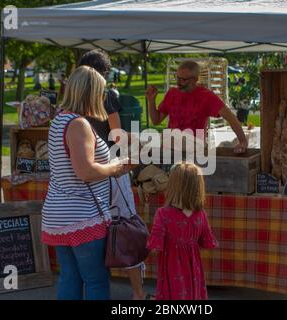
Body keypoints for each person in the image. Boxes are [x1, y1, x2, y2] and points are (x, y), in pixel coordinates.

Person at [41, 66, 129, 300]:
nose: (103, 97)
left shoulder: (60, 120)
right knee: (96, 280)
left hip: (60, 214)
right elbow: (86, 171)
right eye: (101, 92)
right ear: (90, 93)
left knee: (70, 276)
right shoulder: (78, 124)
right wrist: (116, 168)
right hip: (81, 214)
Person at [78, 49, 151, 300]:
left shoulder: (71, 99)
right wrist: (142, 140)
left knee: (92, 229)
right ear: (103, 73)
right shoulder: (106, 96)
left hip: (81, 171)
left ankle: (94, 286)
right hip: (110, 165)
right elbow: (117, 136)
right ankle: (138, 293)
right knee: (127, 224)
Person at [147, 162, 218, 300]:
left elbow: (155, 246)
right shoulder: (200, 214)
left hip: (171, 267)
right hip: (194, 268)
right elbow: (206, 242)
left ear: (173, 185)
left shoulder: (163, 214)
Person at [145, 60, 248, 154]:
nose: (179, 83)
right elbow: (156, 120)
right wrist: (151, 101)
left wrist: (243, 141)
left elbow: (231, 117)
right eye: (177, 78)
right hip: (170, 150)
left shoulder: (206, 96)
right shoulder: (172, 93)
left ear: (195, 79)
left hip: (193, 151)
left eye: (183, 80)